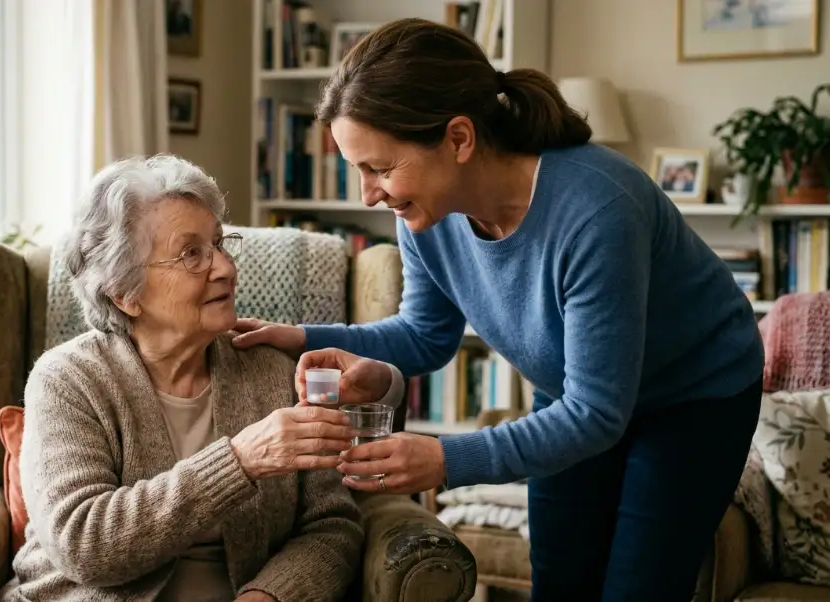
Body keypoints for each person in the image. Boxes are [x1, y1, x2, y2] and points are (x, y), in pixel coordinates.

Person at [231, 18, 764, 602]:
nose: (368, 195)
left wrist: (444, 458)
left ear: (459, 139)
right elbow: (425, 335)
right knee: (561, 582)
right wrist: (299, 336)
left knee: (638, 588)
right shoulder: (424, 213)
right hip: (575, 393)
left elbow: (597, 415)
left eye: (380, 167)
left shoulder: (596, 209)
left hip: (694, 395)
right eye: (358, 169)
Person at [0, 155, 392, 602]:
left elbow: (332, 525)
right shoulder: (68, 380)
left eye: (220, 244)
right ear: (124, 294)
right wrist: (239, 460)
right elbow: (84, 544)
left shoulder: (271, 370)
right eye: (192, 254)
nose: (224, 268)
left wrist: (271, 596)